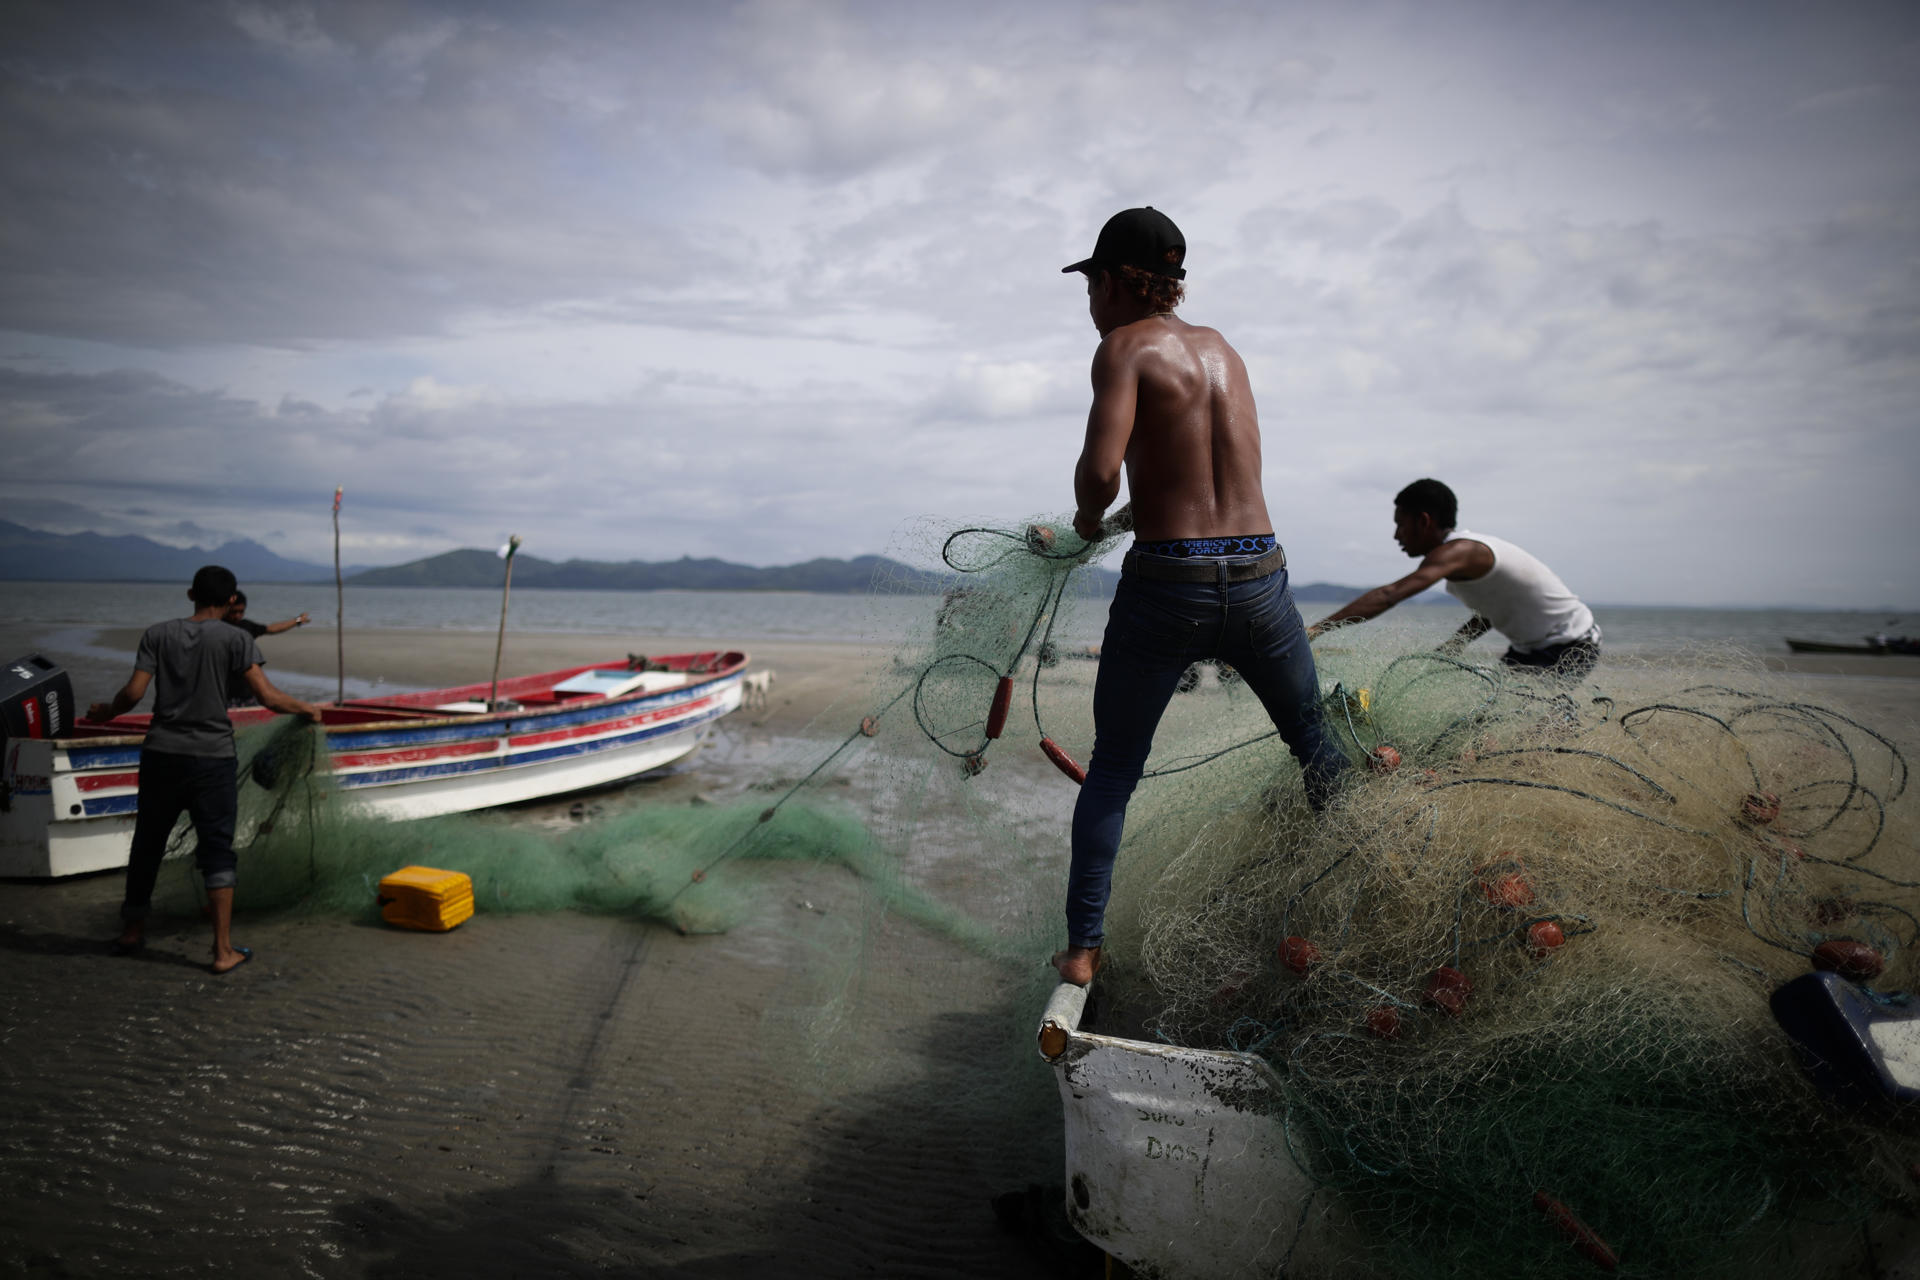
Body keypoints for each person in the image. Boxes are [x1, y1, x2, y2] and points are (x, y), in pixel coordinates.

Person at [1052, 207, 1349, 986]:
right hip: (1261, 577)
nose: (1088, 304)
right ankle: (1369, 885)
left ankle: (1083, 950)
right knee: (1314, 744)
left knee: (1114, 769)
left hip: (1168, 587)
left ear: (1117, 282)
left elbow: (1101, 471)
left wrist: (1087, 523)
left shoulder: (1121, 348)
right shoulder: (1225, 353)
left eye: (1089, 286)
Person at [85, 565, 324, 974]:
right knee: (217, 851)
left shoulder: (157, 634)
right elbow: (266, 696)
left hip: (161, 754)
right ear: (232, 601)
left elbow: (133, 693)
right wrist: (307, 708)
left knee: (148, 843)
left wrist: (105, 712)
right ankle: (221, 951)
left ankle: (131, 931)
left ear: (191, 593)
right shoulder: (237, 638)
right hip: (212, 759)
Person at [1310, 478, 1600, 678]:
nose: (1396, 535)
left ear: (1424, 521)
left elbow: (1390, 595)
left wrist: (1316, 629)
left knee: (1530, 724)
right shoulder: (1460, 559)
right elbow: (1492, 610)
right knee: (1490, 713)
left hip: (1572, 643)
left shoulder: (1459, 551)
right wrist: (1453, 646)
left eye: (1400, 524)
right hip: (1528, 649)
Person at [223, 591, 310, 638]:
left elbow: (272, 629)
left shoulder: (245, 627)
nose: (237, 616)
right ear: (225, 608)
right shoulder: (216, 627)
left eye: (241, 612)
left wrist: (298, 620)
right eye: (233, 612)